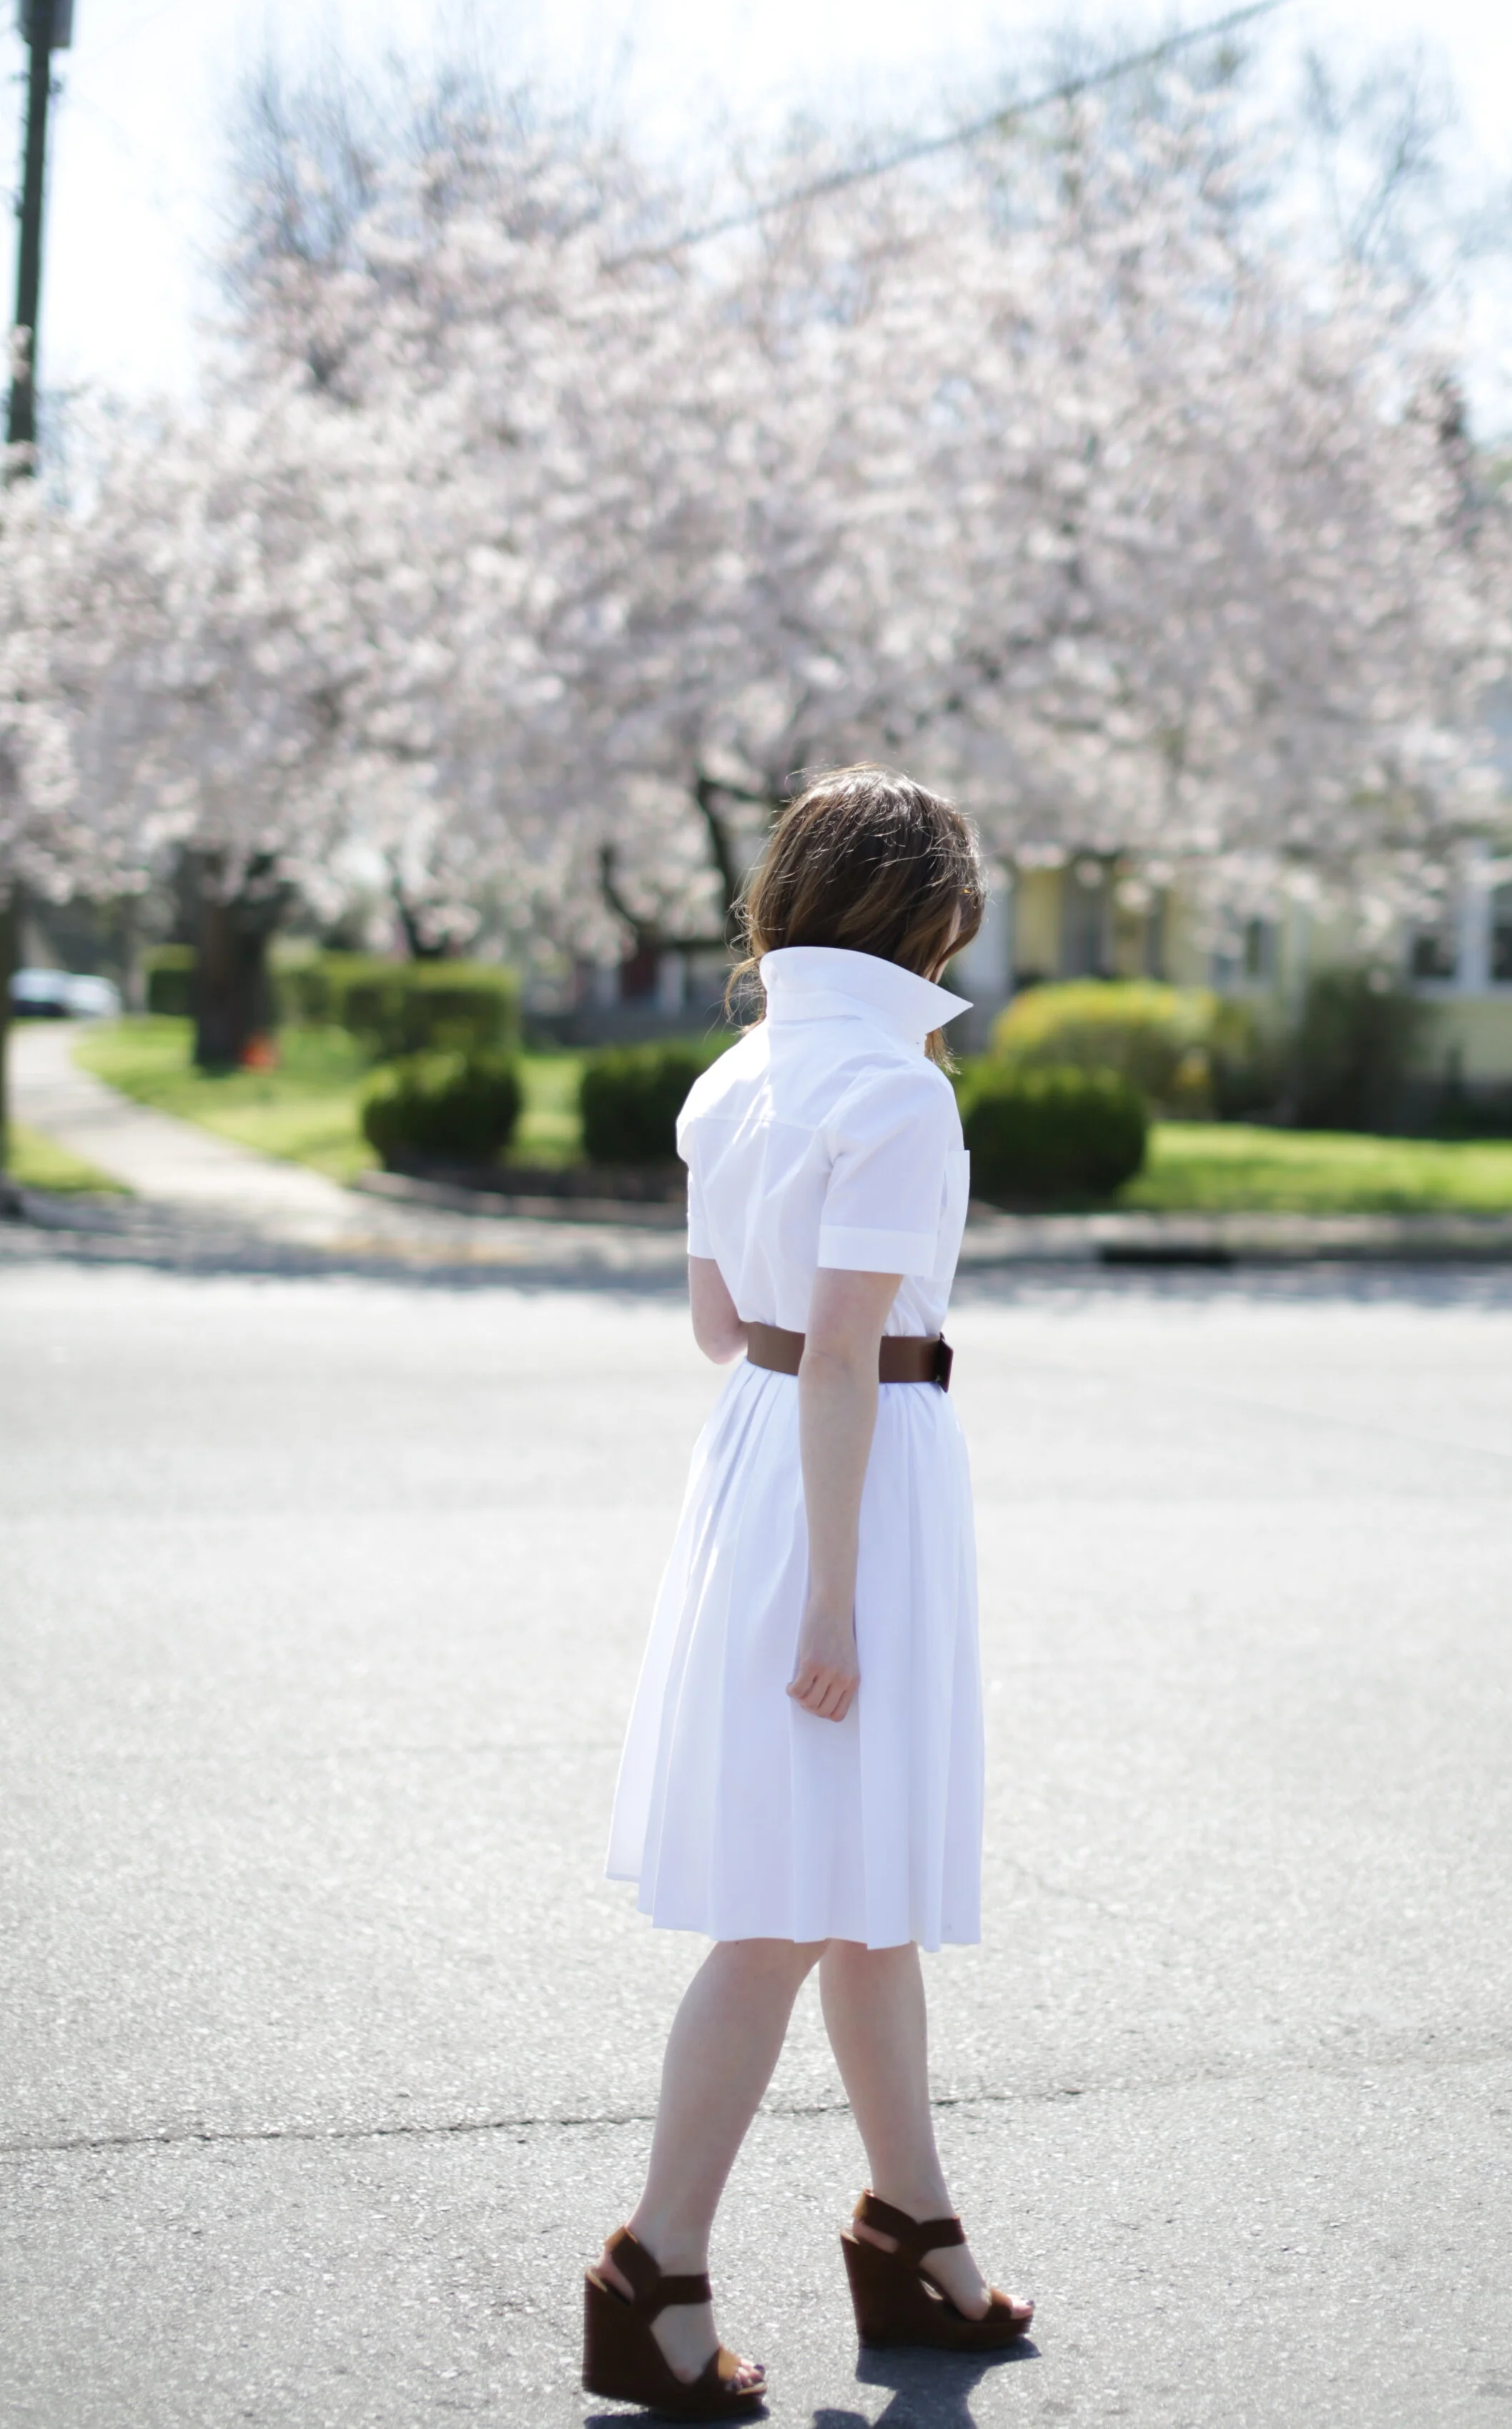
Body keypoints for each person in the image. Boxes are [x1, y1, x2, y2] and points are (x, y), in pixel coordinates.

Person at [585, 767, 1034, 2419]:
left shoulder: (738, 1078)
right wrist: (835, 1600)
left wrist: (807, 1524)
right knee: (786, 1900)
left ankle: (915, 2234)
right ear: (927, 919)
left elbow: (731, 1333)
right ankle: (655, 2271)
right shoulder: (899, 1092)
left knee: (856, 1889)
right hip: (857, 1483)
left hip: (763, 1458)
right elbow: (848, 1347)